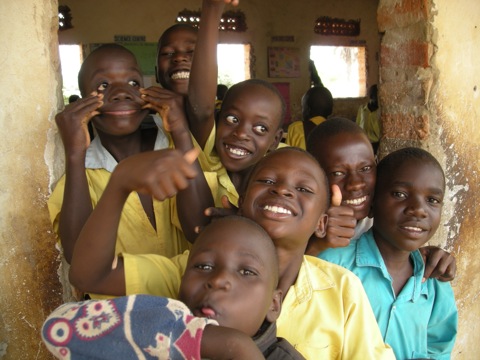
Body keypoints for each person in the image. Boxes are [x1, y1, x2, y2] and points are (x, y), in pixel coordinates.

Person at [68, 146, 396, 359]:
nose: (282, 190)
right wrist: (120, 183)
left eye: (303, 189)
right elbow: (88, 276)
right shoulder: (194, 272)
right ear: (239, 202)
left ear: (322, 222)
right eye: (266, 180)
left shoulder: (341, 289)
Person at [42, 216, 304, 360]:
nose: (218, 280)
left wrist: (240, 351)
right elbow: (58, 328)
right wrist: (206, 341)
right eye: (202, 267)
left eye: (246, 271)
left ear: (274, 304)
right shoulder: (159, 328)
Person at [48, 44, 194, 266]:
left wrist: (181, 129)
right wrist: (75, 154)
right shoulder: (81, 175)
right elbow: (79, 260)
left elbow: (199, 226)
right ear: (82, 103)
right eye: (103, 85)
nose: (121, 93)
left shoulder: (175, 144)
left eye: (133, 83)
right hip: (122, 301)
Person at [319, 147, 458, 359]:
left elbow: (438, 349)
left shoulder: (435, 284)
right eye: (400, 194)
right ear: (372, 204)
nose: (419, 210)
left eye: (432, 200)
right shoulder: (332, 267)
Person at [305, 117, 457, 282]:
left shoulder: (381, 218)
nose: (355, 184)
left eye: (365, 168)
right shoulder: (299, 219)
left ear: (376, 164)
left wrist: (419, 257)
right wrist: (316, 246)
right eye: (337, 173)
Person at [356, 84, 381, 154]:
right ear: (371, 96)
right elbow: (357, 125)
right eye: (375, 96)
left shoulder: (380, 112)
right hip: (362, 142)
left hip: (376, 144)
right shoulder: (362, 109)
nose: (378, 98)